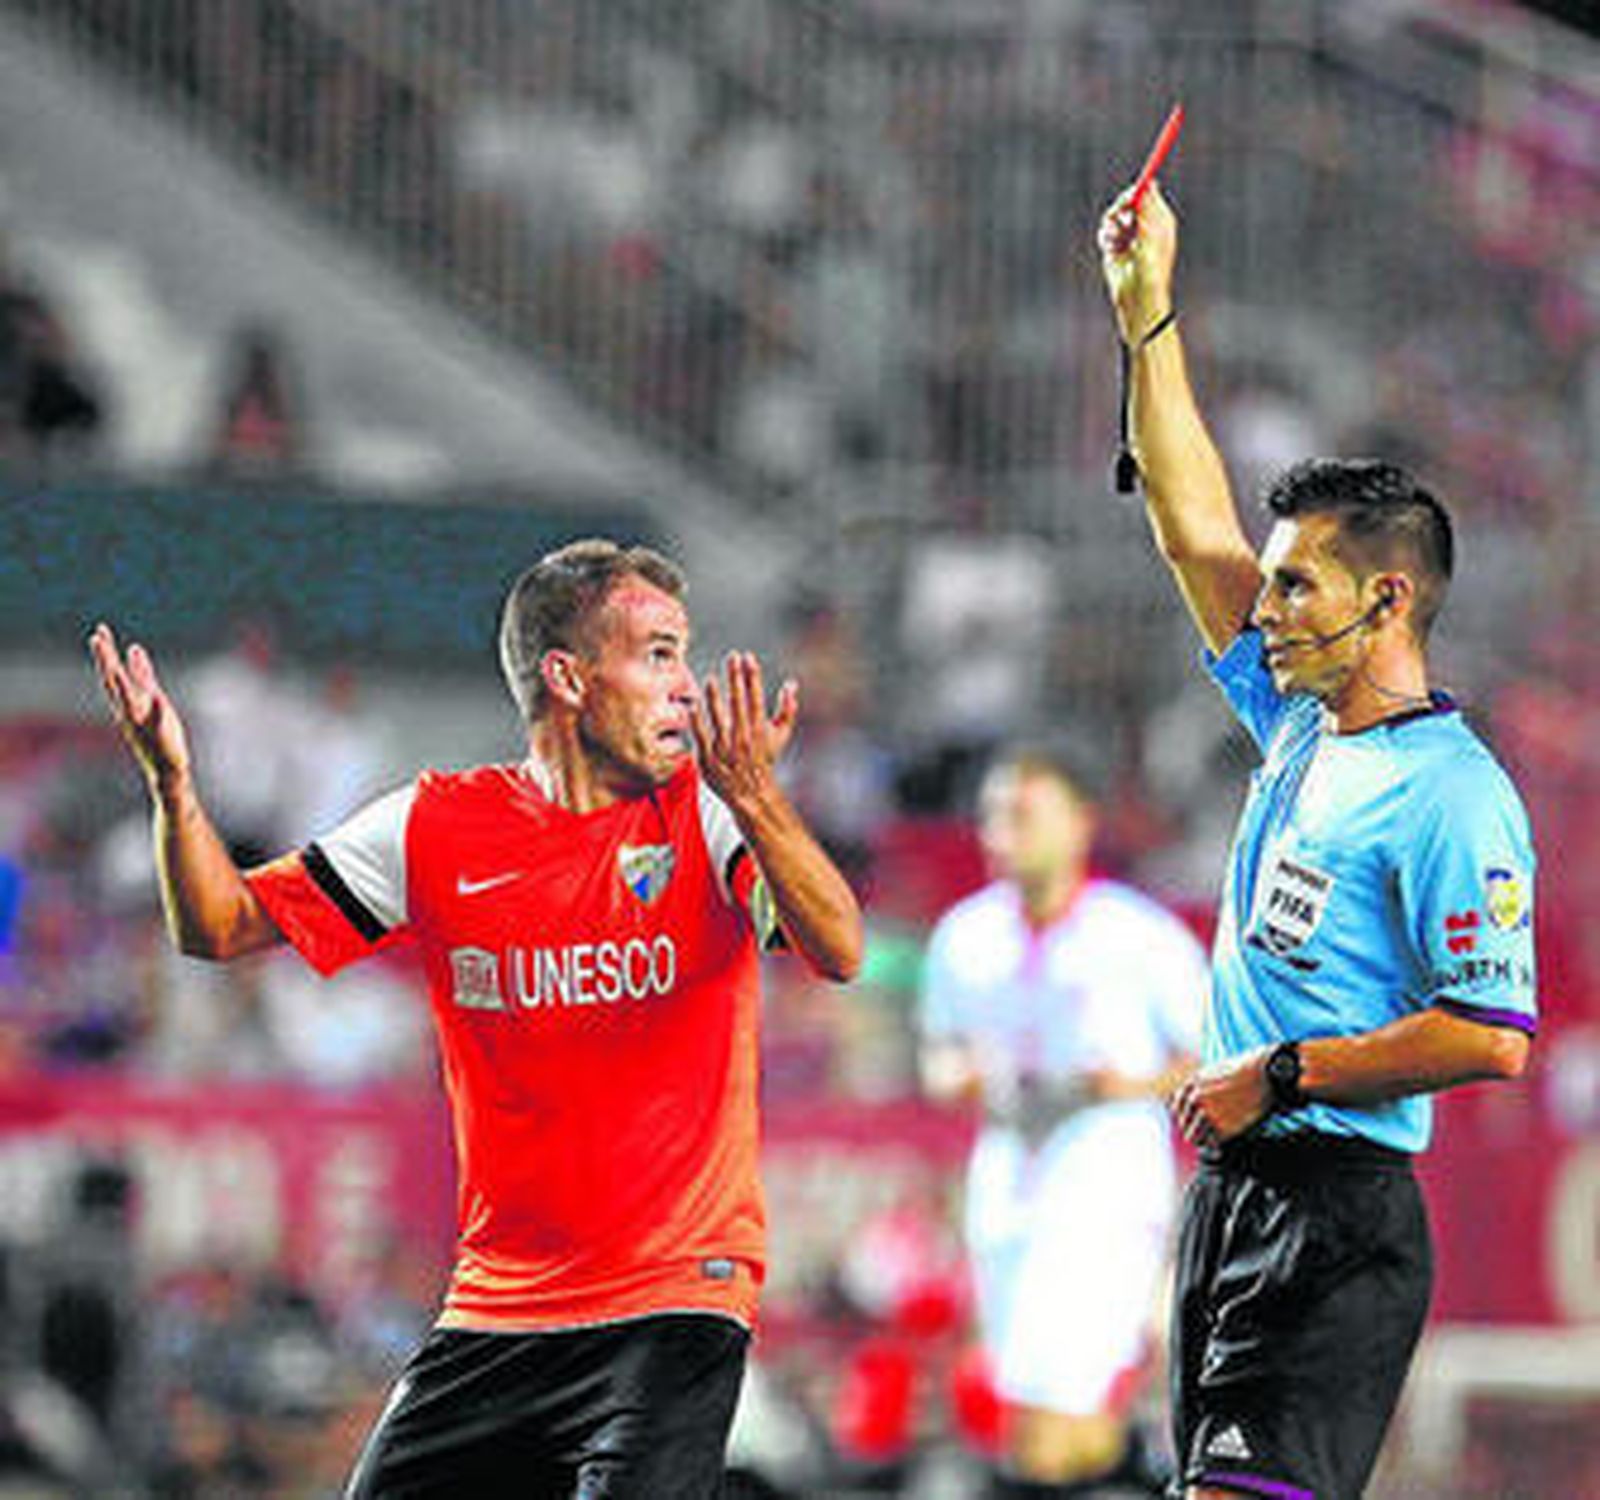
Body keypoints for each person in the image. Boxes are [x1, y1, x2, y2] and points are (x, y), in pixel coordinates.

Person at [88, 538, 864, 1499]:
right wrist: (173, 788)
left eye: (684, 653)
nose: (685, 687)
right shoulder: (434, 827)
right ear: (570, 678)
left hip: (670, 1307)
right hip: (496, 1315)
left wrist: (756, 797)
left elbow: (839, 949)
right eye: (657, 654)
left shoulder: (703, 820)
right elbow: (217, 926)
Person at [1097, 182, 1536, 1500]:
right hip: (1237, 1196)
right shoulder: (1300, 724)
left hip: (1338, 1208)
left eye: (1299, 585)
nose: (1268, 606)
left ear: (1387, 597)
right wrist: (1146, 314)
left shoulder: (1455, 795)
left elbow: (1491, 1035)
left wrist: (1278, 1073)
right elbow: (1190, 521)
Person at [919, 741, 1206, 1497]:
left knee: (1062, 1418)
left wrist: (1128, 1082)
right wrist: (968, 1077)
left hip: (1102, 1184)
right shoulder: (965, 937)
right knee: (1029, 1413)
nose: (999, 833)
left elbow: (1214, 1060)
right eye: (990, 816)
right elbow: (939, 1058)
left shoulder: (1140, 938)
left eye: (1021, 814)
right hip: (1009, 1180)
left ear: (1079, 823)